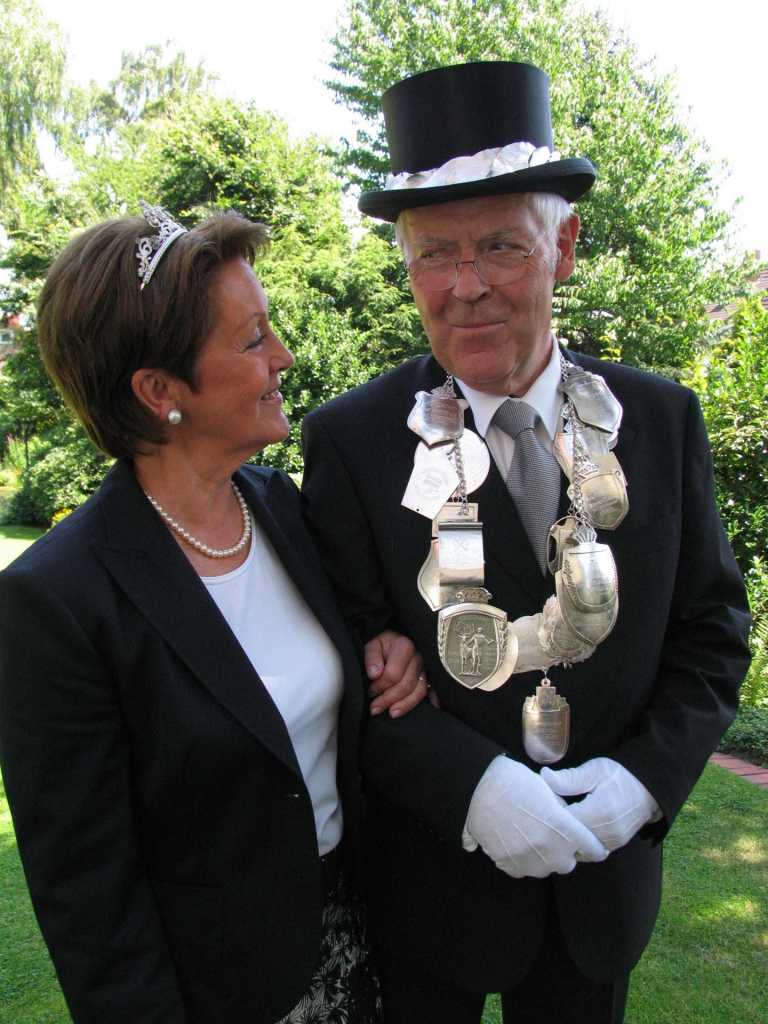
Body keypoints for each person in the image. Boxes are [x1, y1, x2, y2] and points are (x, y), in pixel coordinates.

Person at [301, 61, 751, 1024]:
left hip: (602, 883)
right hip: (432, 893)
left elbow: (712, 636)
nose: (464, 287)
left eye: (501, 246)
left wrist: (643, 784)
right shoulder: (352, 442)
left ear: (565, 248)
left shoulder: (661, 422)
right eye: (434, 253)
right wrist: (469, 787)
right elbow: (346, 666)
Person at [0, 204, 428, 1023]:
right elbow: (89, 898)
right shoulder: (59, 600)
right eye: (252, 338)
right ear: (160, 391)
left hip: (363, 945)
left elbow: (330, 676)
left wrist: (385, 649)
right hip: (224, 992)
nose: (284, 356)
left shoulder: (282, 508)